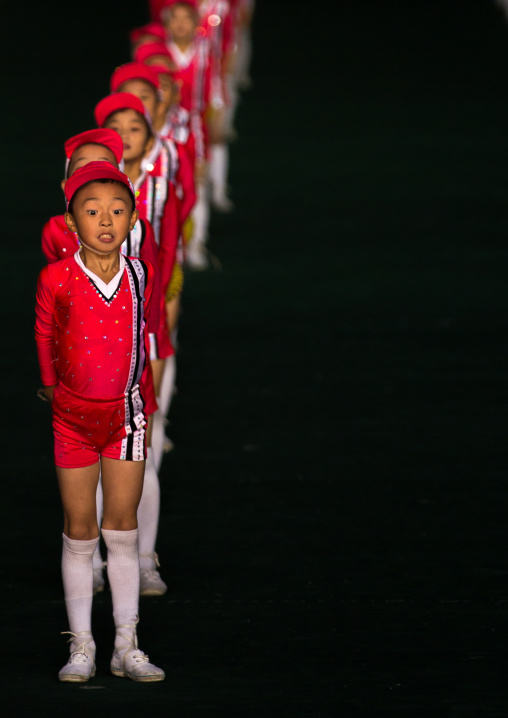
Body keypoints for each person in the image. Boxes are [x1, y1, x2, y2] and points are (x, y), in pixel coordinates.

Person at [35, 161, 165, 682]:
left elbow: (140, 340)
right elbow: (44, 333)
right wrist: (53, 386)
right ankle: (82, 645)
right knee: (80, 531)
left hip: (126, 418)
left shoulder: (141, 274)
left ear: (134, 218)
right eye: (92, 212)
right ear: (71, 223)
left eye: (117, 211)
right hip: (71, 418)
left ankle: (126, 644)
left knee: (122, 531)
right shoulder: (57, 277)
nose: (106, 221)